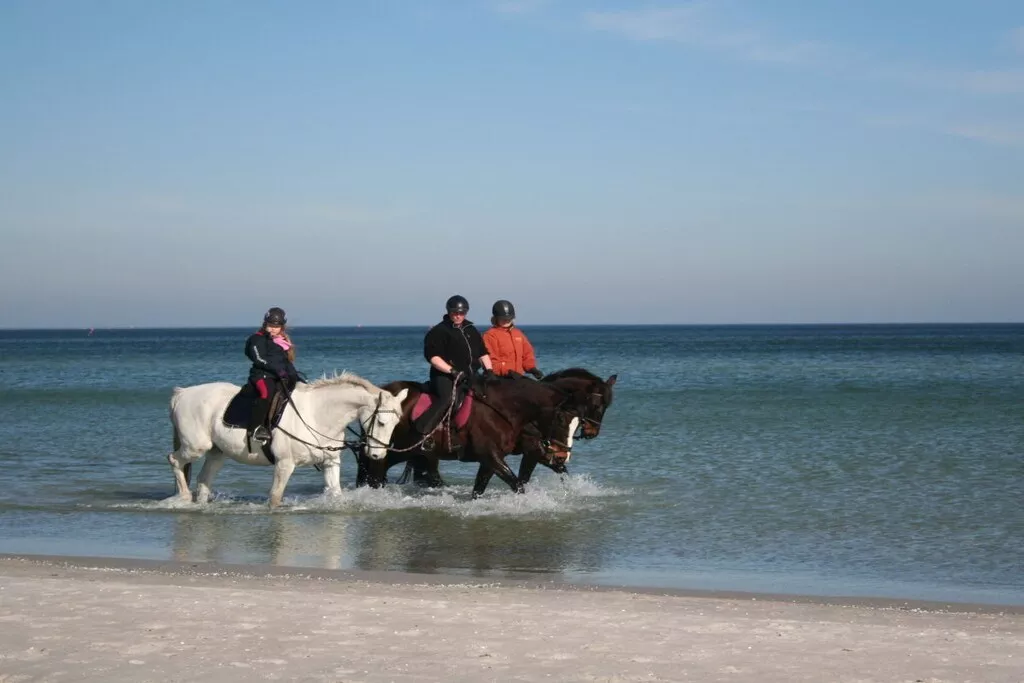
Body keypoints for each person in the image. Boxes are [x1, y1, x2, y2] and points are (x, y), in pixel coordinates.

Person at [414, 295, 494, 436]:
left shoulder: (471, 329)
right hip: (445, 376)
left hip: (470, 376)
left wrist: (489, 371)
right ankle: (422, 431)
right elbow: (433, 357)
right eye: (455, 313)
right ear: (449, 312)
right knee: (447, 399)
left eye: (461, 313)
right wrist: (452, 371)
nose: (458, 316)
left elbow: (482, 352)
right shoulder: (439, 331)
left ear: (466, 312)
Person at [245, 307, 300, 444]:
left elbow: (285, 363)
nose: (273, 329)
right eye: (270, 325)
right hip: (261, 375)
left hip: (277, 375)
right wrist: (277, 370)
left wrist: (294, 376)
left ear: (281, 327)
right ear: (265, 324)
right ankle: (256, 428)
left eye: (276, 326)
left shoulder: (280, 342)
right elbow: (259, 358)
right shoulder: (256, 339)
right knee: (266, 393)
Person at [482, 299, 543, 379]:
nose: (507, 320)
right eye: (503, 319)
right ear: (496, 318)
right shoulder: (490, 335)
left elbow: (527, 353)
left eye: (509, 318)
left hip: (517, 378)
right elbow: (491, 361)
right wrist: (508, 372)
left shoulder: (518, 334)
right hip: (499, 380)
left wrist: (532, 368)